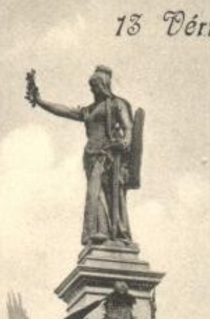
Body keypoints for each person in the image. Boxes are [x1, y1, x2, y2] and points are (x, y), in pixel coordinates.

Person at [26, 66, 136, 246]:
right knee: (96, 193)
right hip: (91, 156)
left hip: (107, 156)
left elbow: (128, 127)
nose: (92, 90)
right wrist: (40, 101)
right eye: (91, 87)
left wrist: (125, 142)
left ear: (103, 85)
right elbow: (64, 111)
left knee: (100, 193)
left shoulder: (117, 104)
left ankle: (105, 232)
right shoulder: (90, 110)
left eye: (94, 86)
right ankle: (100, 231)